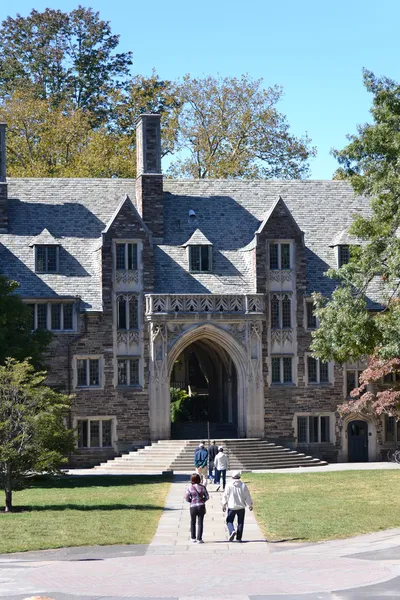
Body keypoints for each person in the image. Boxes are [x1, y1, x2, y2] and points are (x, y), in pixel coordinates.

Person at [222, 470, 253, 542]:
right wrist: (250, 505)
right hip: (241, 506)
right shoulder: (243, 485)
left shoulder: (229, 485)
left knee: (229, 521)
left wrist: (224, 504)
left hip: (232, 506)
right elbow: (247, 496)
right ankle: (239, 538)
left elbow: (225, 495)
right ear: (239, 477)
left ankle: (232, 530)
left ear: (232, 477)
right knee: (240, 522)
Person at [185, 472, 209, 543]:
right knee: (200, 522)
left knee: (193, 522)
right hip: (201, 506)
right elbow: (207, 497)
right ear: (199, 479)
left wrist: (191, 501)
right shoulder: (202, 487)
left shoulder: (189, 488)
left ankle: (193, 538)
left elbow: (186, 497)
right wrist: (202, 500)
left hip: (193, 506)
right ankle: (199, 538)